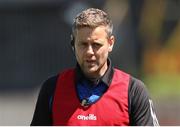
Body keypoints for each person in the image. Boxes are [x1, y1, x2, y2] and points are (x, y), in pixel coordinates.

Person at [31, 8, 159, 126]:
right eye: (83, 44)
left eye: (96, 44)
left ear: (110, 43)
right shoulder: (52, 89)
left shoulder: (134, 91)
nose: (89, 52)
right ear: (72, 44)